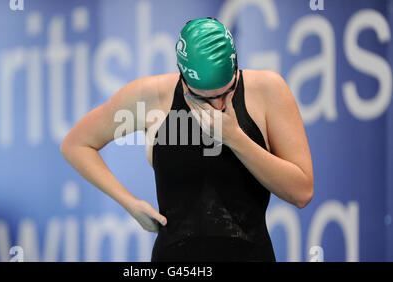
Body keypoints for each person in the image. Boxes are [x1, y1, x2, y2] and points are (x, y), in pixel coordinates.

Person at [60, 17, 314, 262]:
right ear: (183, 78)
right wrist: (129, 203)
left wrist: (236, 138)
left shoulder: (268, 90)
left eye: (228, 90)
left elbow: (301, 193)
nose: (219, 104)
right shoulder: (151, 97)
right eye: (204, 98)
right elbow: (77, 144)